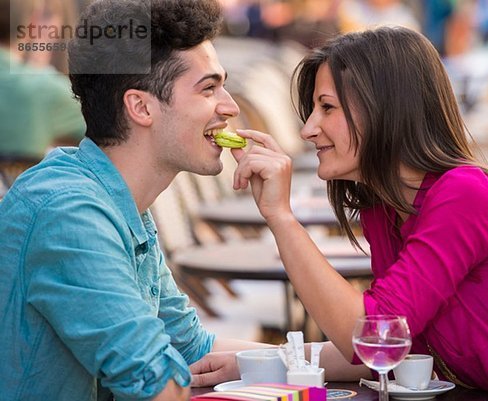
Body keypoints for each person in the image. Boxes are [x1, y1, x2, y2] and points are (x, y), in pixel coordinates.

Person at [0, 0, 369, 399]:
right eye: (209, 88)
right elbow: (161, 387)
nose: (230, 107)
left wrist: (332, 362)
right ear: (141, 106)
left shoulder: (121, 204)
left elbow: (193, 348)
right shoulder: (69, 213)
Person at [226, 26, 488, 400]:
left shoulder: (466, 195)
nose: (309, 129)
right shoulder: (386, 208)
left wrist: (281, 216)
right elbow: (385, 347)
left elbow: (363, 332)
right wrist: (261, 362)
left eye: (327, 107)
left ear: (384, 108)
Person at [0, 0, 86, 162]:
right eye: (42, 15)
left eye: (48, 15)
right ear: (31, 22)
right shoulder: (46, 89)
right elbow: (113, 135)